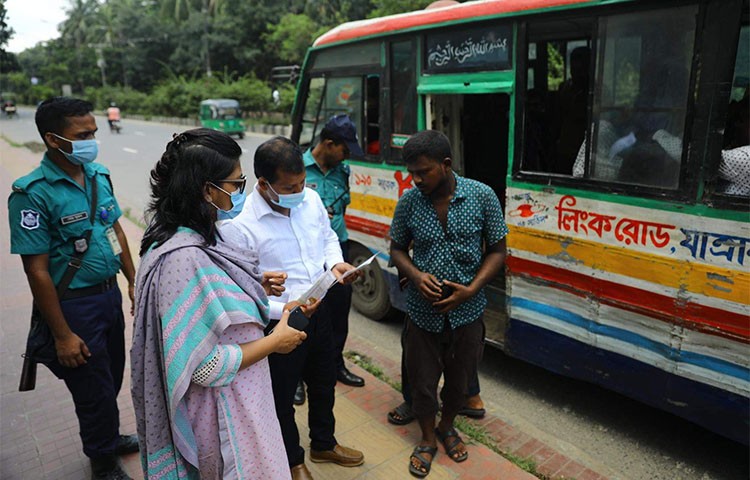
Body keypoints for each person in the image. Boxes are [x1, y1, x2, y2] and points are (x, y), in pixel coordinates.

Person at [131, 128, 307, 479]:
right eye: (235, 184)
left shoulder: (182, 233)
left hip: (240, 398)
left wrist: (253, 285)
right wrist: (276, 341)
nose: (239, 193)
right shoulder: (183, 257)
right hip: (225, 411)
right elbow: (202, 366)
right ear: (208, 190)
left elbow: (204, 298)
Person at [8, 97, 139, 480]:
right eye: (82, 135)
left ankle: (109, 436)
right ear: (53, 139)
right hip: (74, 306)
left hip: (107, 295)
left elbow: (115, 231)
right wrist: (63, 334)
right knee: (92, 387)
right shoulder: (32, 193)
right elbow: (36, 270)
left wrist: (131, 281)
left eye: (93, 132)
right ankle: (102, 460)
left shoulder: (98, 174)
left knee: (111, 375)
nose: (91, 140)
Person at [221, 136, 365, 480]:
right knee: (281, 395)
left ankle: (324, 443)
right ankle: (292, 459)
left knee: (323, 380)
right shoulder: (239, 225)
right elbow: (243, 288)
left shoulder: (310, 200)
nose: (299, 190)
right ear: (263, 184)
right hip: (279, 322)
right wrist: (284, 309)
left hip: (321, 308)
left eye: (301, 182)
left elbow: (328, 237)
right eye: (290, 186)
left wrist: (336, 265)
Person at [389, 130, 507, 477]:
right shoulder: (410, 202)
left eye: (424, 171)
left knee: (458, 385)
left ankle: (447, 426)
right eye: (412, 172)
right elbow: (397, 248)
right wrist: (415, 272)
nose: (417, 179)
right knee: (423, 385)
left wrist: (471, 289)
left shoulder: (482, 196)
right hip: (423, 316)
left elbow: (499, 251)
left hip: (468, 314)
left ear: (446, 164)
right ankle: (426, 437)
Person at [304, 114, 366, 389]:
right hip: (307, 253)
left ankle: (336, 364)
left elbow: (343, 208)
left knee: (339, 311)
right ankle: (299, 377)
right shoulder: (299, 169)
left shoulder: (344, 170)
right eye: (344, 149)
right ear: (328, 144)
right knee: (307, 311)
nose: (346, 156)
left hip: (337, 249)